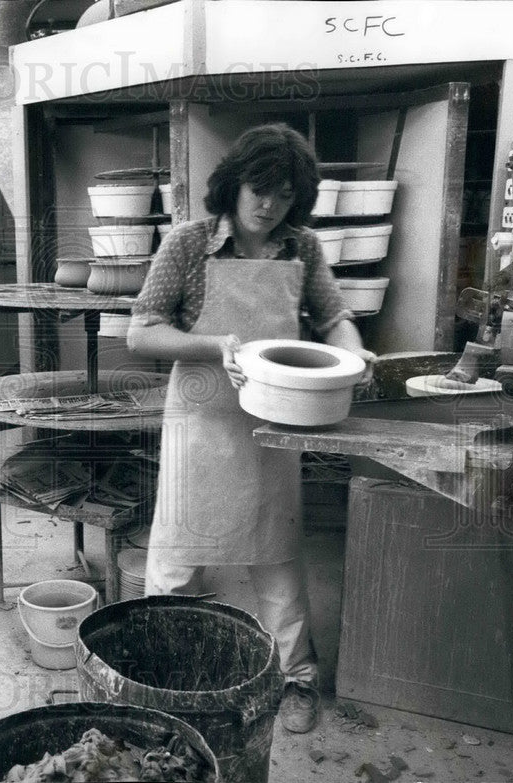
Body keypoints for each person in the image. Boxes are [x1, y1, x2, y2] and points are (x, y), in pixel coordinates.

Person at [126, 124, 376, 734]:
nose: (269, 206)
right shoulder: (189, 244)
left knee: (277, 557)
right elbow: (142, 331)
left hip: (273, 422)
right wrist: (215, 345)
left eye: (285, 196)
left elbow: (335, 315)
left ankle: (297, 680)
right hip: (200, 421)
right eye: (259, 190)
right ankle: (160, 675)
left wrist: (353, 351)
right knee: (177, 558)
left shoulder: (302, 248)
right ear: (233, 184)